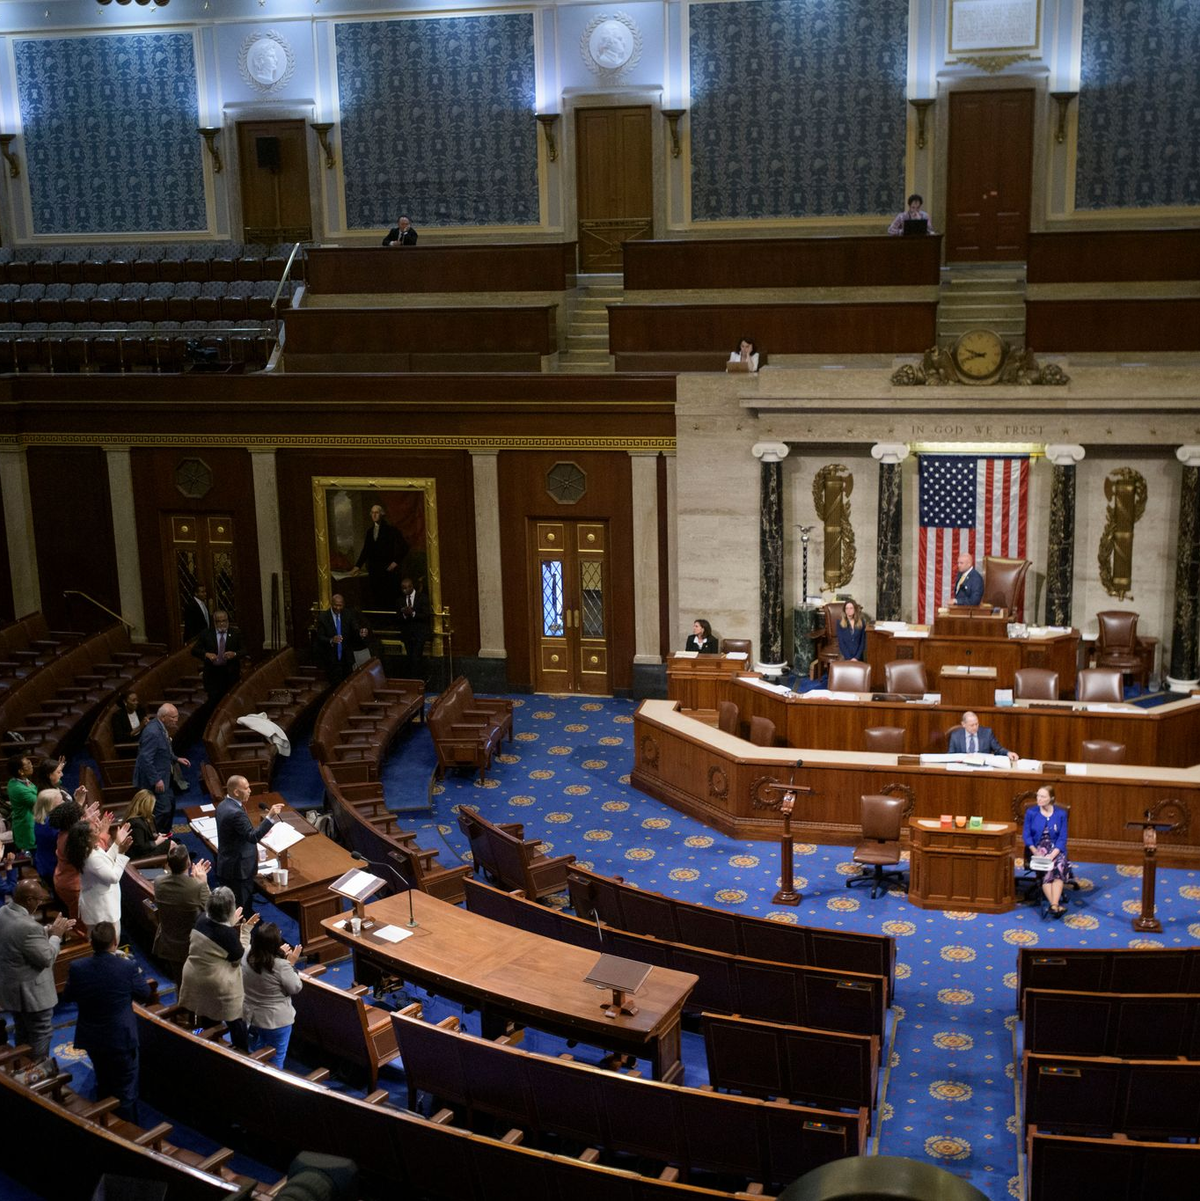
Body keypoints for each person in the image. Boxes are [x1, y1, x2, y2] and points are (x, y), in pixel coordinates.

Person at [63, 920, 153, 1120]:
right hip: (120, 1040)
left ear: (91, 942)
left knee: (103, 1081)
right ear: (115, 941)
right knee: (126, 1090)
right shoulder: (127, 967)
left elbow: (68, 996)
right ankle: (129, 1137)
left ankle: (106, 1123)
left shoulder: (77, 967)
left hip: (92, 1038)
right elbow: (145, 993)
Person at [0, 879, 74, 1062]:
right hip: (33, 995)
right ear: (29, 900)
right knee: (41, 1033)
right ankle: (38, 1074)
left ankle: (21, 1070)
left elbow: (22, 938)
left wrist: (49, 930)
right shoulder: (28, 927)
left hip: (12, 989)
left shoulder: (4, 912)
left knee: (22, 1031)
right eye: (39, 900)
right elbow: (47, 958)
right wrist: (56, 935)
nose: (40, 903)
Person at [179, 886, 259, 1051]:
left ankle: (210, 1046)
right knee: (237, 1020)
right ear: (229, 909)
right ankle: (242, 1052)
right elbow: (239, 958)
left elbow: (217, 932)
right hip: (216, 984)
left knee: (207, 1016)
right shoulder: (227, 934)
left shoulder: (201, 919)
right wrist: (245, 931)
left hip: (192, 976)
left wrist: (230, 923)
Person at [216, 775, 283, 917]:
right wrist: (270, 817)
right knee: (241, 909)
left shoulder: (223, 805)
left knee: (236, 905)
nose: (250, 791)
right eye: (246, 788)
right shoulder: (236, 813)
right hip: (238, 869)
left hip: (227, 862)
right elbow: (252, 837)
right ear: (236, 792)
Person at [242, 921, 304, 1068]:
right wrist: (291, 963)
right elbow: (296, 987)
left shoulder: (247, 954)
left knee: (262, 1046)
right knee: (277, 1058)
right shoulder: (281, 966)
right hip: (276, 1020)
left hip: (253, 1016)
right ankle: (272, 1085)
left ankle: (256, 1074)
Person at [153, 843, 212, 990]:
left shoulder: (159, 882)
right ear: (189, 863)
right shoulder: (197, 887)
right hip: (192, 946)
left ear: (168, 864)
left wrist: (194, 881)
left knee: (180, 984)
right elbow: (214, 912)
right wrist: (203, 883)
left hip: (169, 943)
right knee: (196, 987)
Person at [69, 817, 132, 943]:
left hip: (100, 903)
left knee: (108, 942)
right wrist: (121, 854)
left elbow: (105, 862)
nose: (99, 830)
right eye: (95, 831)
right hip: (101, 909)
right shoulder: (90, 857)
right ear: (87, 838)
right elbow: (113, 877)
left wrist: (117, 843)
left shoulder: (89, 849)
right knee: (108, 942)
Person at [133, 703, 189, 835]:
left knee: (170, 805)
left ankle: (166, 838)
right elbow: (145, 759)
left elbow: (163, 750)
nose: (176, 720)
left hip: (164, 777)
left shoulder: (160, 727)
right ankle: (154, 841)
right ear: (163, 717)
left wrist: (176, 758)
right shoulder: (153, 732)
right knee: (163, 810)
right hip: (154, 781)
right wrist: (156, 779)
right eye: (173, 717)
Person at [52, 797, 109, 921]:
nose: (84, 819)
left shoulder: (65, 832)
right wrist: (103, 833)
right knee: (80, 918)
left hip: (63, 880)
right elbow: (94, 853)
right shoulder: (72, 840)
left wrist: (87, 823)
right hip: (73, 886)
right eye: (81, 817)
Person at [1023, 785, 1074, 916]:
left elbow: (1062, 838)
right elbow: (1026, 835)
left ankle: (1053, 905)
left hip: (1056, 848)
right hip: (1038, 847)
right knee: (1047, 869)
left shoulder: (1060, 814)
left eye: (1043, 796)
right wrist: (1035, 851)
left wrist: (1053, 854)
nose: (1039, 799)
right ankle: (1055, 906)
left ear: (1051, 798)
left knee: (1059, 865)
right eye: (1038, 796)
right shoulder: (1031, 812)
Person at [353, 504, 408, 609]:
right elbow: (366, 551)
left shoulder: (391, 530)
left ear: (382, 514)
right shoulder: (370, 532)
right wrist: (357, 566)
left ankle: (390, 622)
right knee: (376, 597)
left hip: (388, 571)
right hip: (374, 571)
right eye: (372, 513)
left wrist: (395, 562)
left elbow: (404, 547)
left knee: (389, 597)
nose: (374, 515)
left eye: (376, 512)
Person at [191, 609, 246, 702]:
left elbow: (245, 650)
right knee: (214, 702)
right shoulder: (206, 634)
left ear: (228, 621)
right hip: (212, 675)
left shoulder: (236, 633)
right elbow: (194, 650)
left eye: (224, 621)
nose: (222, 624)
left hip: (230, 673)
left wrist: (235, 654)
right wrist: (206, 654)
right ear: (214, 622)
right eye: (219, 621)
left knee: (229, 702)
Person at [315, 594, 369, 683]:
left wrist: (360, 633)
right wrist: (331, 640)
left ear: (343, 605)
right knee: (334, 685)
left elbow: (354, 629)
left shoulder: (348, 614)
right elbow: (320, 637)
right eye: (335, 605)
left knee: (347, 685)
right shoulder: (323, 617)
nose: (338, 608)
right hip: (331, 659)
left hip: (346, 658)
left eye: (340, 605)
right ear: (331, 604)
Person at [947, 711, 1018, 764]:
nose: (975, 727)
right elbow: (951, 755)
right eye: (972, 725)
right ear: (963, 724)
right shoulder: (955, 735)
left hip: (982, 765)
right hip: (963, 767)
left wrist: (1008, 753)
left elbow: (998, 749)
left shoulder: (987, 733)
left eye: (976, 724)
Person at [397, 576, 432, 682]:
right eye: (403, 588)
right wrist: (404, 614)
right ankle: (413, 681)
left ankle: (418, 681)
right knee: (410, 658)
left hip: (420, 633)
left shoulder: (422, 597)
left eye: (406, 588)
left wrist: (413, 613)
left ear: (411, 586)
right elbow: (397, 616)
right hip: (407, 634)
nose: (404, 590)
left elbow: (426, 615)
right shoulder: (400, 600)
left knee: (417, 658)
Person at [124, 789, 170, 859]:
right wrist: (157, 842)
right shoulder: (135, 824)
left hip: (147, 849)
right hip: (140, 857)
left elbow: (146, 837)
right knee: (171, 844)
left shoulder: (147, 817)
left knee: (175, 843)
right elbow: (141, 848)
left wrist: (156, 836)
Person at [5, 754, 37, 852]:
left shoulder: (18, 781)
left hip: (30, 822)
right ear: (21, 772)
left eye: (29, 762)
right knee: (31, 860)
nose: (31, 765)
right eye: (27, 764)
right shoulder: (19, 789)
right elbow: (40, 803)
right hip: (26, 827)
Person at [32, 789, 64, 882]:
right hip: (53, 868)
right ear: (50, 807)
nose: (64, 803)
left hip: (44, 864)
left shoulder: (41, 820)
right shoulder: (51, 825)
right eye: (60, 802)